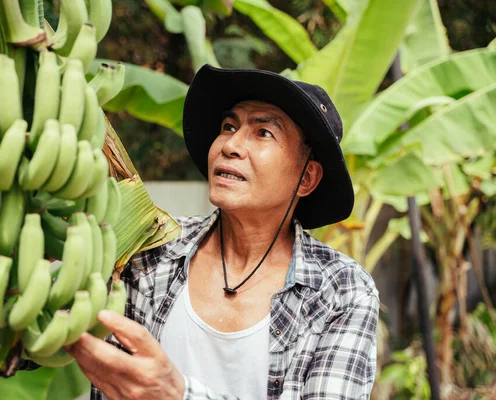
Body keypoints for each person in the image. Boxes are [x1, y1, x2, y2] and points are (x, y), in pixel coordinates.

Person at [64, 65, 380, 399]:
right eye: (229, 126)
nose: (230, 144)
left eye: (263, 133)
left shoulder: (342, 292)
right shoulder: (152, 248)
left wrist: (175, 394)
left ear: (306, 178)